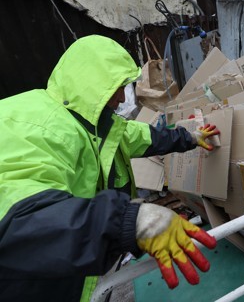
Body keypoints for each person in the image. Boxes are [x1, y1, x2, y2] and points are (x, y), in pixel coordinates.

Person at [0, 35, 220, 302]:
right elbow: (22, 221)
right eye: (113, 88)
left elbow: (148, 137)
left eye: (123, 87)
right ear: (92, 85)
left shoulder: (99, 124)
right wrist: (127, 221)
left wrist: (192, 138)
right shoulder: (34, 124)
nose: (119, 99)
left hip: (68, 269)